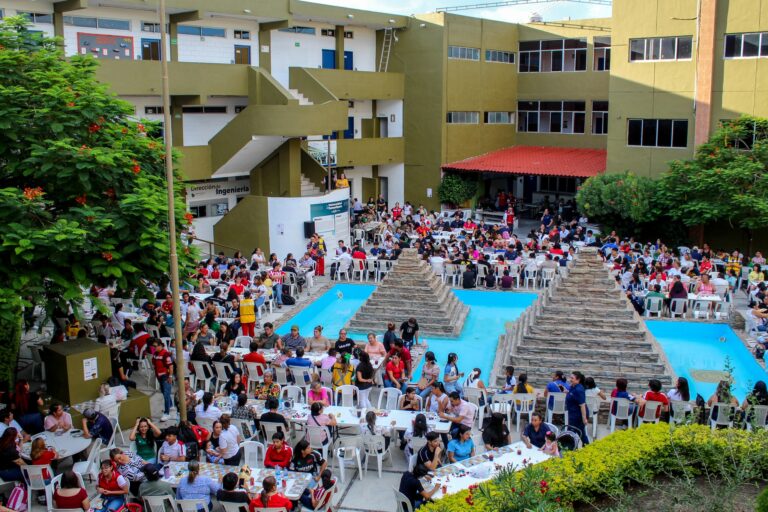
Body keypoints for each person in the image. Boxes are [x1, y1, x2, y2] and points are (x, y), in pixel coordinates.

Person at [151, 338, 175, 422]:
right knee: (164, 392)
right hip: (159, 377)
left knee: (166, 394)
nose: (154, 348)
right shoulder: (156, 353)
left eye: (155, 346)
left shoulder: (165, 354)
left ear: (160, 345)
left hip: (165, 377)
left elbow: (171, 366)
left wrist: (170, 377)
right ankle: (170, 405)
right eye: (153, 346)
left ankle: (167, 413)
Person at [565, 371, 589, 445]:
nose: (570, 379)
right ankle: (586, 446)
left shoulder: (579, 390)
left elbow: (582, 405)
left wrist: (584, 418)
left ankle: (570, 449)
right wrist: (566, 392)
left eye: (572, 378)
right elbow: (572, 395)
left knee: (572, 434)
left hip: (577, 416)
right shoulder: (573, 386)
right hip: (572, 414)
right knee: (579, 433)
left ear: (578, 380)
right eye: (570, 377)